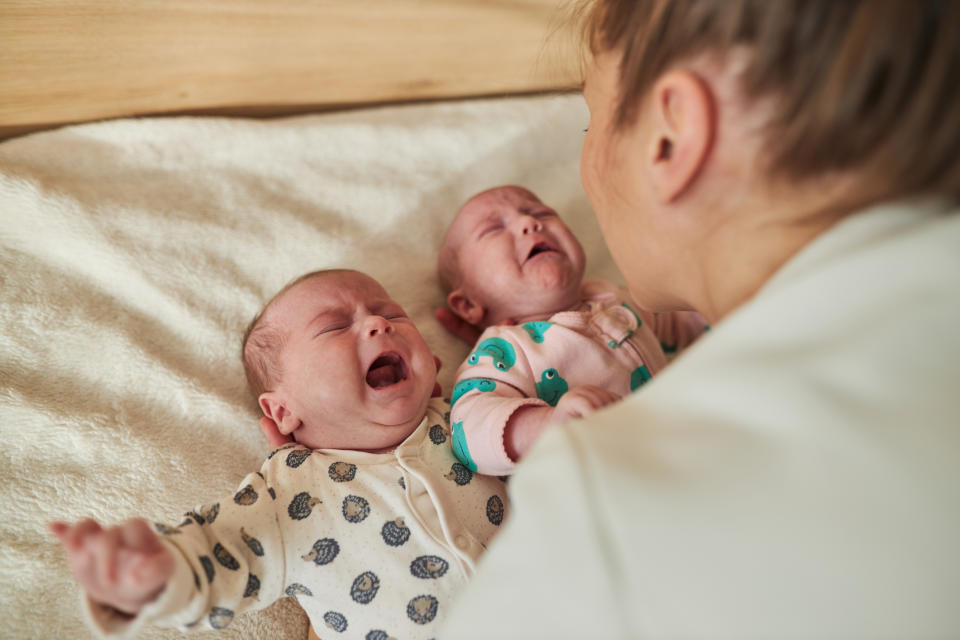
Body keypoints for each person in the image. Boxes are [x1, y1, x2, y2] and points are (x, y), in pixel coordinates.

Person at [441, 0, 960, 637]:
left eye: (590, 123)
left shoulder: (609, 513)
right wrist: (538, 427)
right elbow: (471, 413)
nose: (532, 223)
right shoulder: (505, 349)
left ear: (670, 137)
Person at [49, 269, 509, 640]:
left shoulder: (474, 416)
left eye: (389, 313)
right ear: (284, 410)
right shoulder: (294, 491)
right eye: (334, 327)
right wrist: (157, 574)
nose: (378, 323)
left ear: (434, 369)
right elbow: (223, 552)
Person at [438, 185, 706, 474]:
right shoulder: (505, 350)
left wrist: (729, 302)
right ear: (468, 304)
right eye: (493, 229)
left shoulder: (616, 300)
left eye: (540, 212)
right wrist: (548, 424)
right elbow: (470, 427)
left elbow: (686, 319)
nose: (530, 222)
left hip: (682, 455)